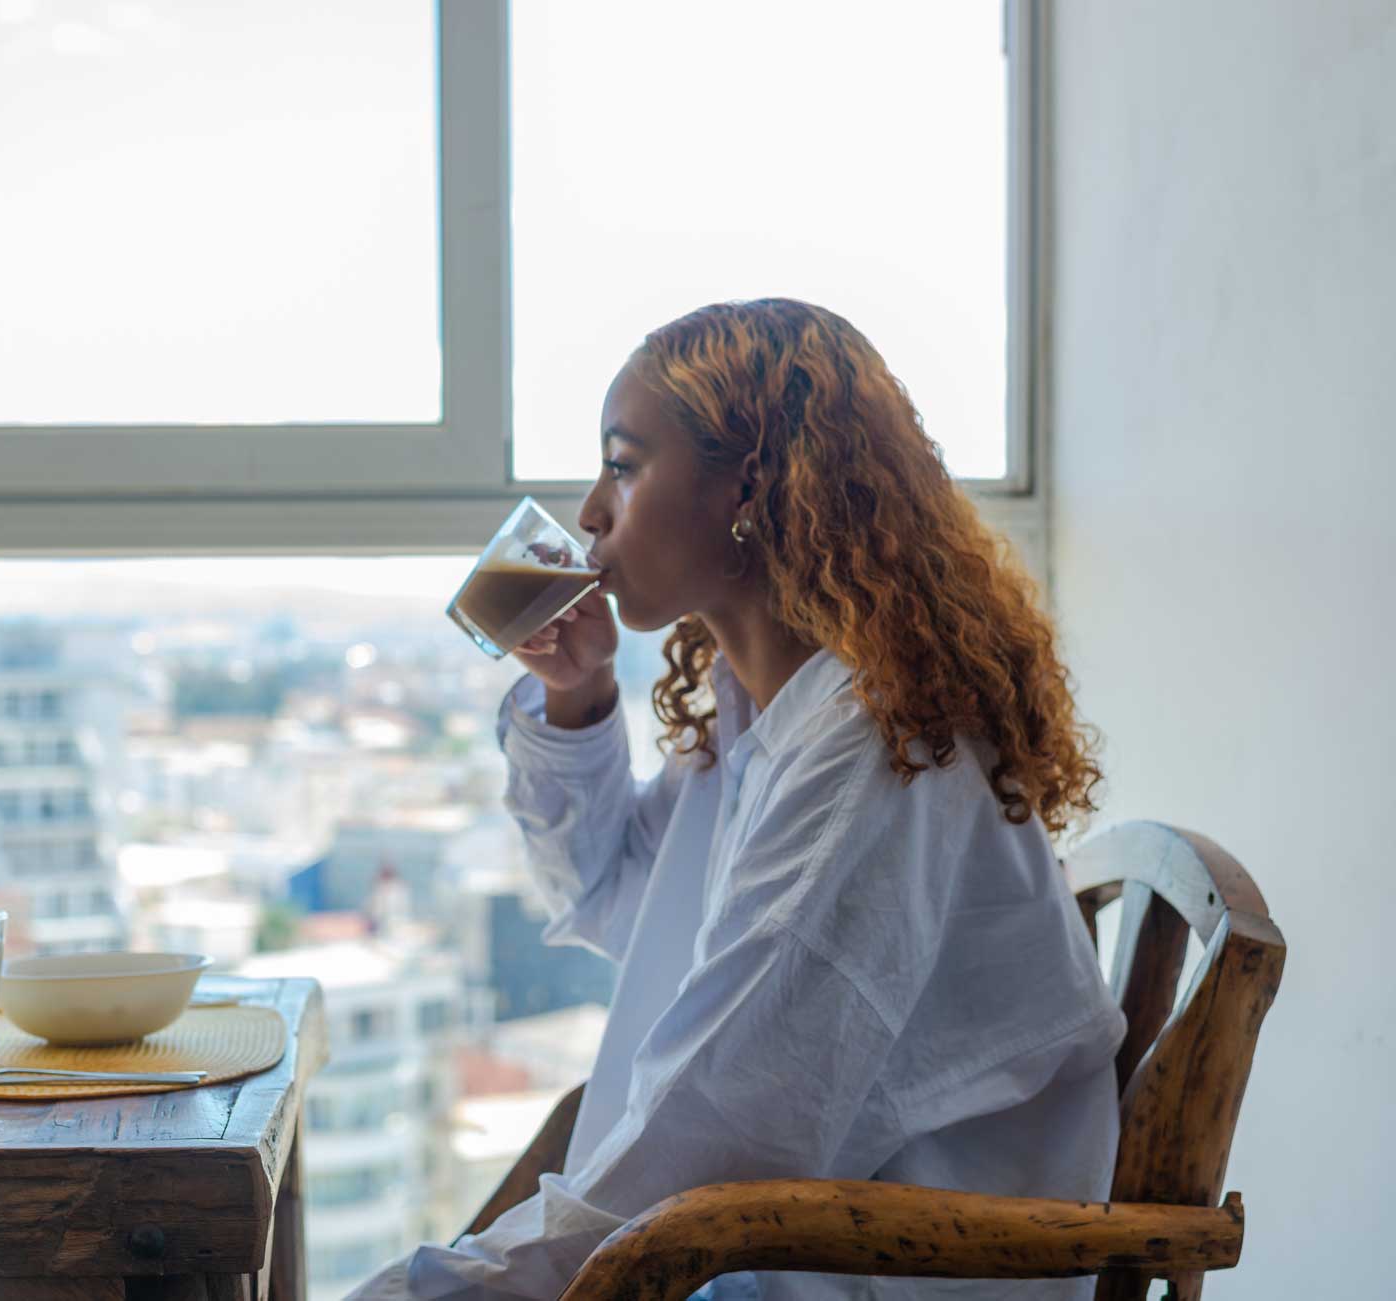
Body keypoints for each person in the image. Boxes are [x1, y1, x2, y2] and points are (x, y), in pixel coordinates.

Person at [350, 299, 1125, 1300]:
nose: (590, 511)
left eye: (624, 466)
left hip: (899, 1267)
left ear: (750, 483)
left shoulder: (871, 753)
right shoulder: (761, 708)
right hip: (798, 1236)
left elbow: (714, 1135)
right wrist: (576, 698)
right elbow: (616, 903)